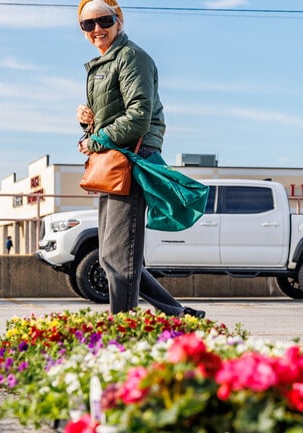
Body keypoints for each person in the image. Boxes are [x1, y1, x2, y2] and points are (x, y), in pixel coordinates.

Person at [75, 0, 204, 318]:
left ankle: (121, 334)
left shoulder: (132, 56)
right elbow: (113, 117)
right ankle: (178, 315)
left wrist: (97, 139)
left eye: (103, 21)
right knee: (111, 256)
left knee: (120, 258)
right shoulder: (102, 65)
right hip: (113, 162)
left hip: (130, 160)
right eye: (87, 25)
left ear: (118, 20)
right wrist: (87, 123)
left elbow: (139, 117)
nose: (97, 30)